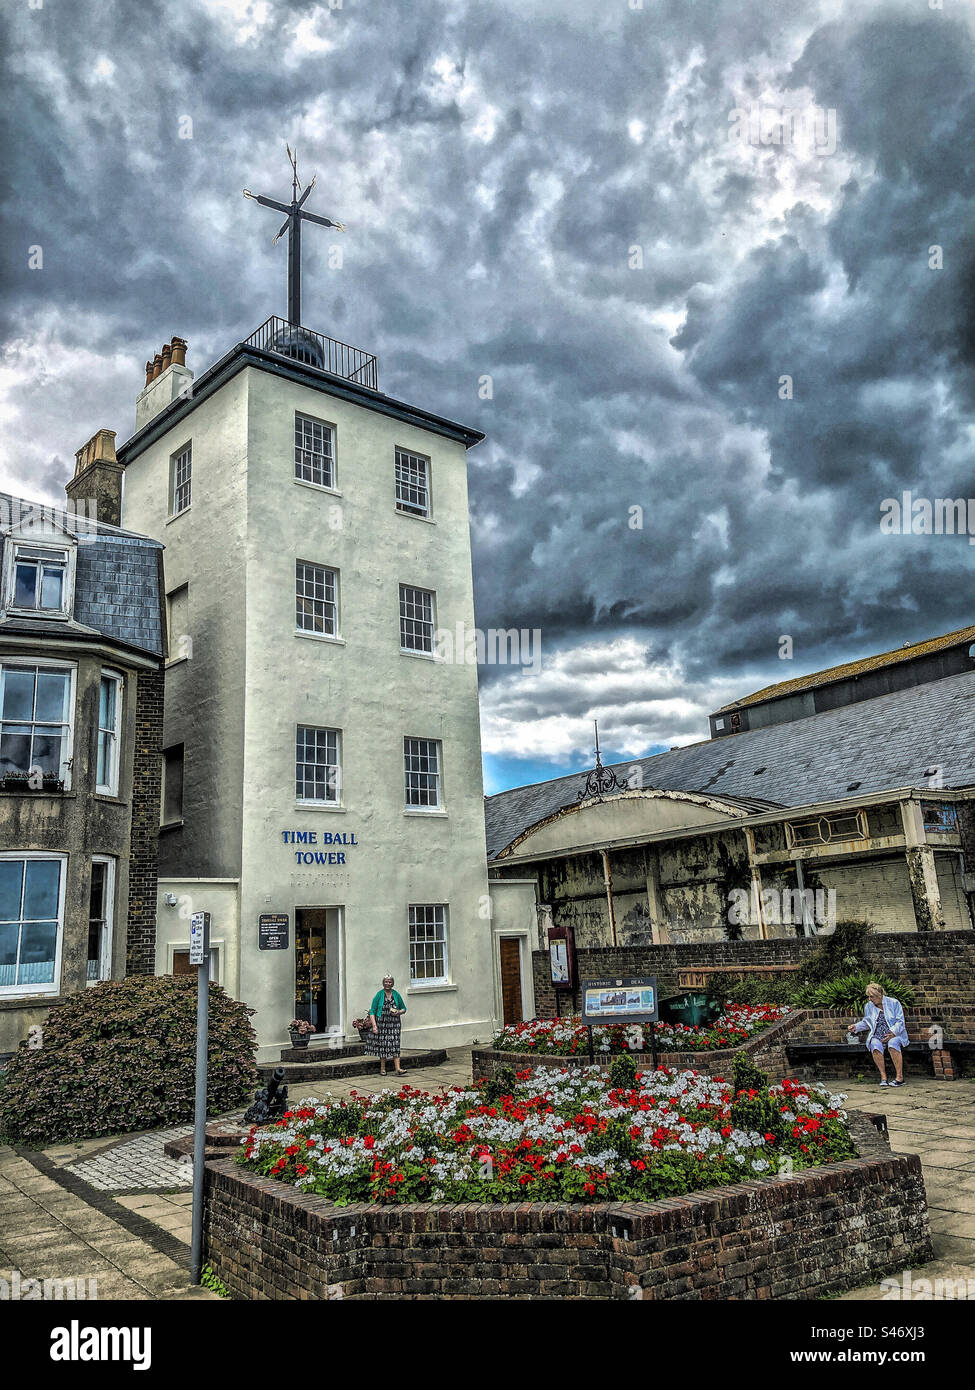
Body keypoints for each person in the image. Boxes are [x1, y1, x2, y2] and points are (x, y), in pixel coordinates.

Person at [847, 982, 909, 1087]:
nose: (869, 999)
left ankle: (900, 1077)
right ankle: (883, 1077)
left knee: (893, 1044)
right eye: (869, 997)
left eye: (871, 997)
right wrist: (856, 1027)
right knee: (874, 1045)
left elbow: (900, 1022)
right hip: (877, 1035)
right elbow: (867, 1022)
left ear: (879, 995)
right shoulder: (869, 1006)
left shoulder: (894, 1003)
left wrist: (892, 1033)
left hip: (895, 1034)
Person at [367, 975, 407, 1077]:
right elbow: (372, 1011)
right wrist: (374, 1026)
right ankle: (383, 1068)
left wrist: (398, 1012)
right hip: (382, 1023)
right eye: (386, 982)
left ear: (392, 984)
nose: (388, 984)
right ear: (383, 983)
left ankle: (398, 1068)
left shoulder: (396, 994)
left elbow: (404, 1008)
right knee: (383, 1046)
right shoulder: (379, 995)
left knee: (395, 1044)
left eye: (389, 982)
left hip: (394, 1024)